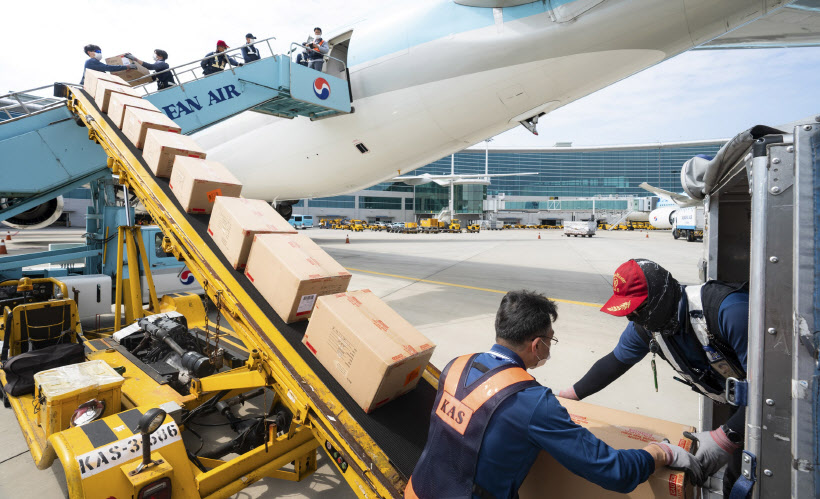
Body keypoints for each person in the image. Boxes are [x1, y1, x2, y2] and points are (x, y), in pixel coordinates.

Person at [406, 290, 703, 499]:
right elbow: (615, 473)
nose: (551, 346)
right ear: (537, 345)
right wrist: (660, 452)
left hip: (417, 489)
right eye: (551, 340)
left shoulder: (456, 364)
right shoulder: (533, 402)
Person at [557, 259, 749, 495]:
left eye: (639, 308)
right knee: (738, 480)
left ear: (663, 295)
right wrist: (571, 395)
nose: (634, 318)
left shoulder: (729, 311)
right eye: (629, 312)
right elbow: (616, 361)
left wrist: (726, 437)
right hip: (740, 405)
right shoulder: (647, 325)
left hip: (771, 406)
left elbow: (773, 387)